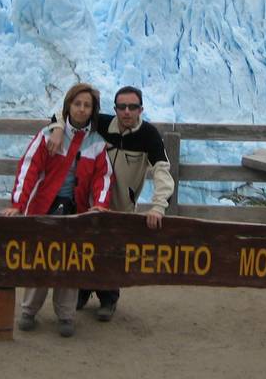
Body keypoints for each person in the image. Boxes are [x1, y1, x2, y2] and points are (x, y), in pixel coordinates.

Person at [47, 85, 175, 322]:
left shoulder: (149, 136)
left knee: (112, 254)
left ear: (141, 109)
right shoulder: (103, 124)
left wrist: (158, 206)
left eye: (132, 107)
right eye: (121, 107)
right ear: (115, 108)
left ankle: (108, 299)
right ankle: (82, 292)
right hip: (90, 202)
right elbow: (63, 112)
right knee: (84, 249)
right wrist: (56, 129)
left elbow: (163, 172)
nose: (126, 111)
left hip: (120, 206)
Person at [1, 82, 114, 338]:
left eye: (87, 105)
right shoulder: (48, 135)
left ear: (93, 110)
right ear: (68, 106)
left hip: (76, 210)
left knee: (71, 260)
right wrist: (18, 205)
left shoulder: (96, 143)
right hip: (46, 207)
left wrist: (100, 204)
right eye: (77, 104)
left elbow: (103, 177)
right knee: (41, 258)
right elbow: (28, 168)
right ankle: (29, 311)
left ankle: (66, 315)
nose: (82, 109)